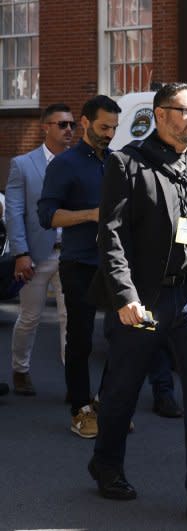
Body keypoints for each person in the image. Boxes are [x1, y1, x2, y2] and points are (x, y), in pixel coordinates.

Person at [88, 82, 187, 529]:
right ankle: (106, 464)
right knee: (122, 390)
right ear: (160, 114)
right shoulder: (127, 163)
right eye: (186, 110)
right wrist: (125, 297)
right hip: (144, 298)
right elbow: (110, 236)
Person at [38, 95, 121, 438]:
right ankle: (80, 409)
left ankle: (104, 403)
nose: (110, 134)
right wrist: (91, 214)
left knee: (125, 338)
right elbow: (47, 216)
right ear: (85, 122)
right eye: (104, 127)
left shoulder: (117, 162)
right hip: (79, 263)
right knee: (81, 341)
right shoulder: (64, 164)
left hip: (116, 263)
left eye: (114, 128)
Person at [6, 103, 73, 396]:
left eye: (72, 124)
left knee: (70, 317)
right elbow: (14, 211)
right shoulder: (23, 164)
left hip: (71, 253)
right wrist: (21, 253)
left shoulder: (80, 161)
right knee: (30, 317)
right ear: (45, 127)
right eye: (62, 124)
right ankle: (20, 369)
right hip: (35, 253)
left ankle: (75, 381)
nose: (69, 130)